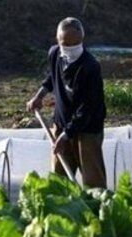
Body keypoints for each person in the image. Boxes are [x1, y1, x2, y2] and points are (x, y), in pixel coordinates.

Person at [26, 17, 107, 189]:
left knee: (93, 182)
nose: (70, 49)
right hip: (62, 124)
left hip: (87, 130)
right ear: (58, 40)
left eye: (75, 44)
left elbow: (87, 109)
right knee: (59, 179)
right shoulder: (55, 54)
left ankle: (96, 210)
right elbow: (52, 78)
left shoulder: (90, 67)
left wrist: (67, 135)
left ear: (82, 40)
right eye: (66, 44)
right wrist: (39, 96)